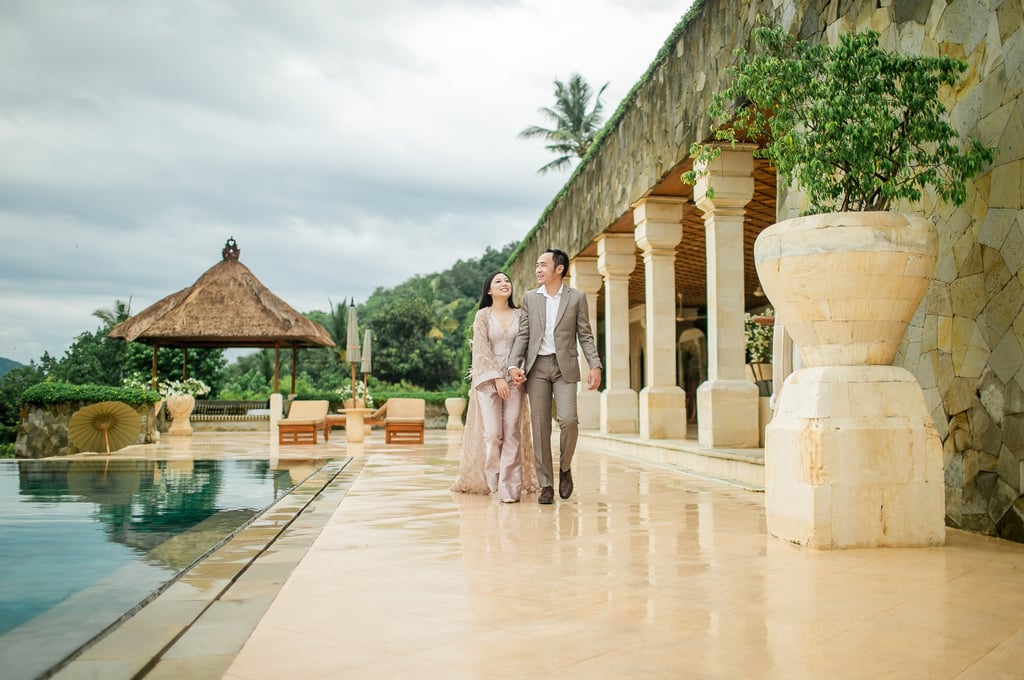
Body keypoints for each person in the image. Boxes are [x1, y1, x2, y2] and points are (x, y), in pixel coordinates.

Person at [508, 248, 602, 505]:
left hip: (565, 367)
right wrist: (512, 365)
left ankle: (565, 468)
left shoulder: (576, 298)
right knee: (540, 427)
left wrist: (595, 364)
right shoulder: (530, 298)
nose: (538, 269)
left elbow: (585, 335)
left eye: (543, 265)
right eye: (537, 265)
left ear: (558, 269)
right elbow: (523, 335)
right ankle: (546, 484)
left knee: (569, 420)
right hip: (536, 367)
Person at [451, 272, 540, 502]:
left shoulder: (521, 315)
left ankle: (508, 489)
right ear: (489, 290)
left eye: (507, 280)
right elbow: (480, 349)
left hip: (515, 380)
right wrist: (497, 378)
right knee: (493, 434)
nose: (505, 283)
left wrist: (519, 371)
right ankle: (493, 480)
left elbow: (526, 345)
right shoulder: (482, 316)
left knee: (512, 433)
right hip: (488, 381)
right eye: (498, 281)